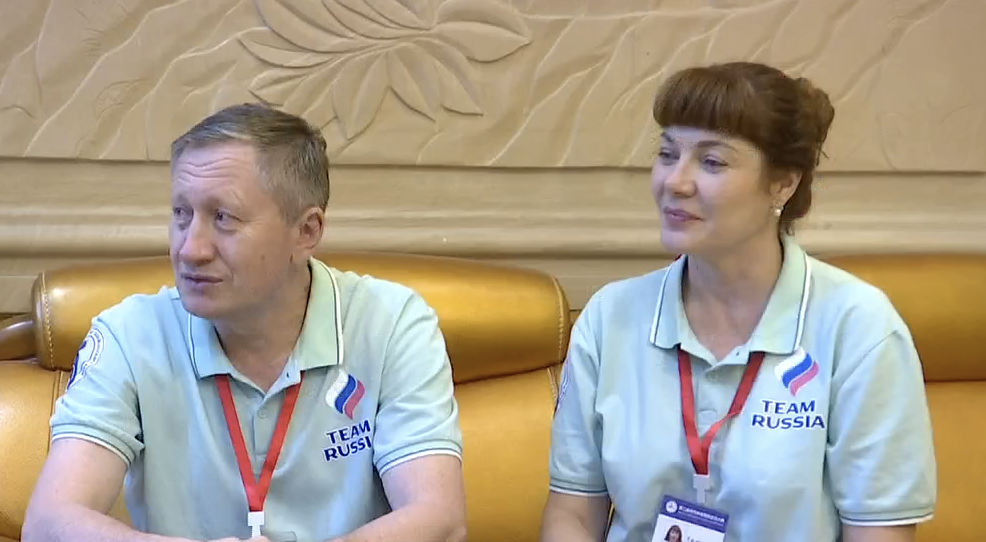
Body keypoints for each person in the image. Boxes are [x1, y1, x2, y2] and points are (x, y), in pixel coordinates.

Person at [21, 103, 467, 542]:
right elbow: (49, 523)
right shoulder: (130, 334)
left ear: (306, 231)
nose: (190, 249)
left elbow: (439, 518)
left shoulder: (392, 324)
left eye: (223, 218)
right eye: (181, 213)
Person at [539, 62, 936, 542]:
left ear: (783, 183)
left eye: (712, 162)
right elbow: (573, 514)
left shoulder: (858, 328)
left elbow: (877, 532)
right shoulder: (610, 317)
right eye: (667, 154)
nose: (675, 182)